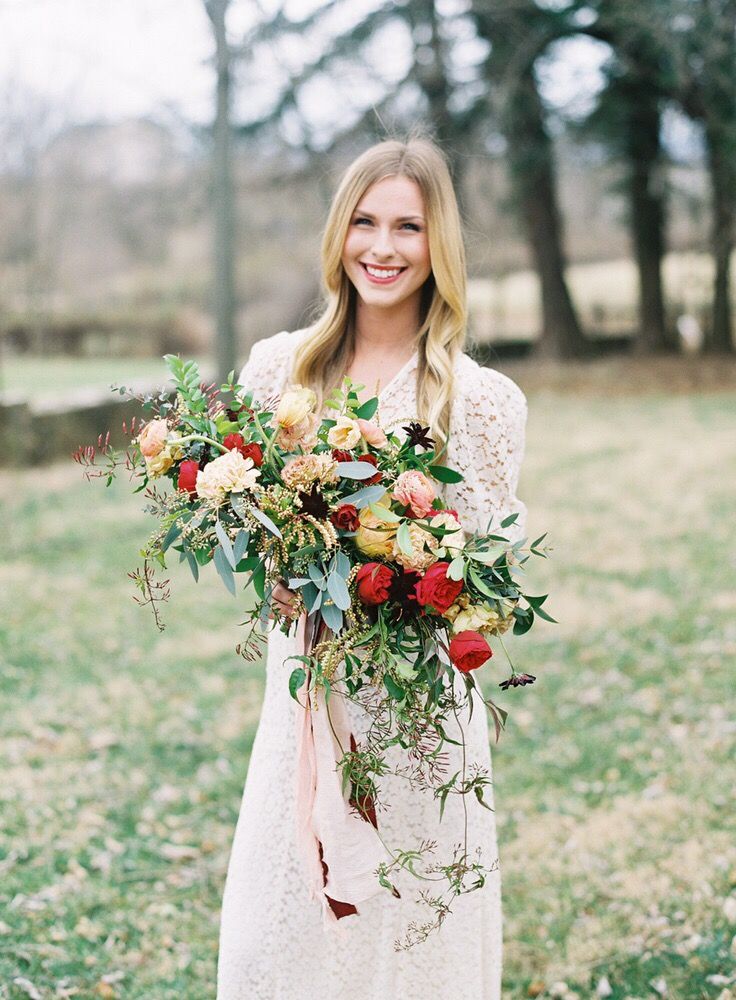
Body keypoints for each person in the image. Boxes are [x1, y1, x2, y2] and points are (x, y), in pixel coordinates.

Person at [217, 136, 528, 1000]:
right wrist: (284, 572)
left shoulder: (479, 401)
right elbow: (255, 534)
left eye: (408, 228)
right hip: (305, 696)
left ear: (439, 246)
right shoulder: (279, 370)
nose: (382, 248)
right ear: (338, 233)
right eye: (364, 222)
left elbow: (484, 576)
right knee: (276, 935)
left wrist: (401, 568)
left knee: (409, 930)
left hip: (417, 713)